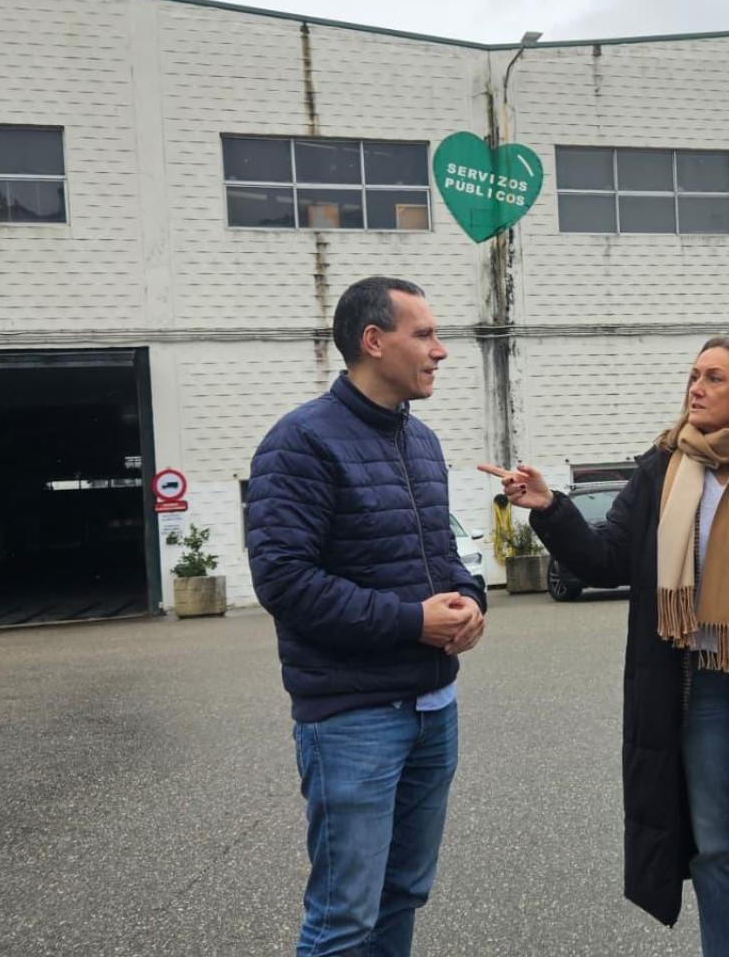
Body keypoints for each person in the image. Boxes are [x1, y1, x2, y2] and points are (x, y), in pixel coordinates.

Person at [483, 337, 729, 956]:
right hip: (699, 686)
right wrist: (550, 509)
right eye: (693, 376)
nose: (696, 388)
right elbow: (607, 558)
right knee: (717, 852)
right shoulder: (664, 466)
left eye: (714, 378)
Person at [246, 276, 487, 957]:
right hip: (353, 719)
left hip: (433, 708)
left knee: (403, 893)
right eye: (426, 335)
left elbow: (443, 550)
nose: (440, 351)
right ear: (373, 342)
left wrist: (471, 599)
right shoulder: (300, 443)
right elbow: (285, 581)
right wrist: (412, 621)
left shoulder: (422, 443)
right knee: (344, 916)